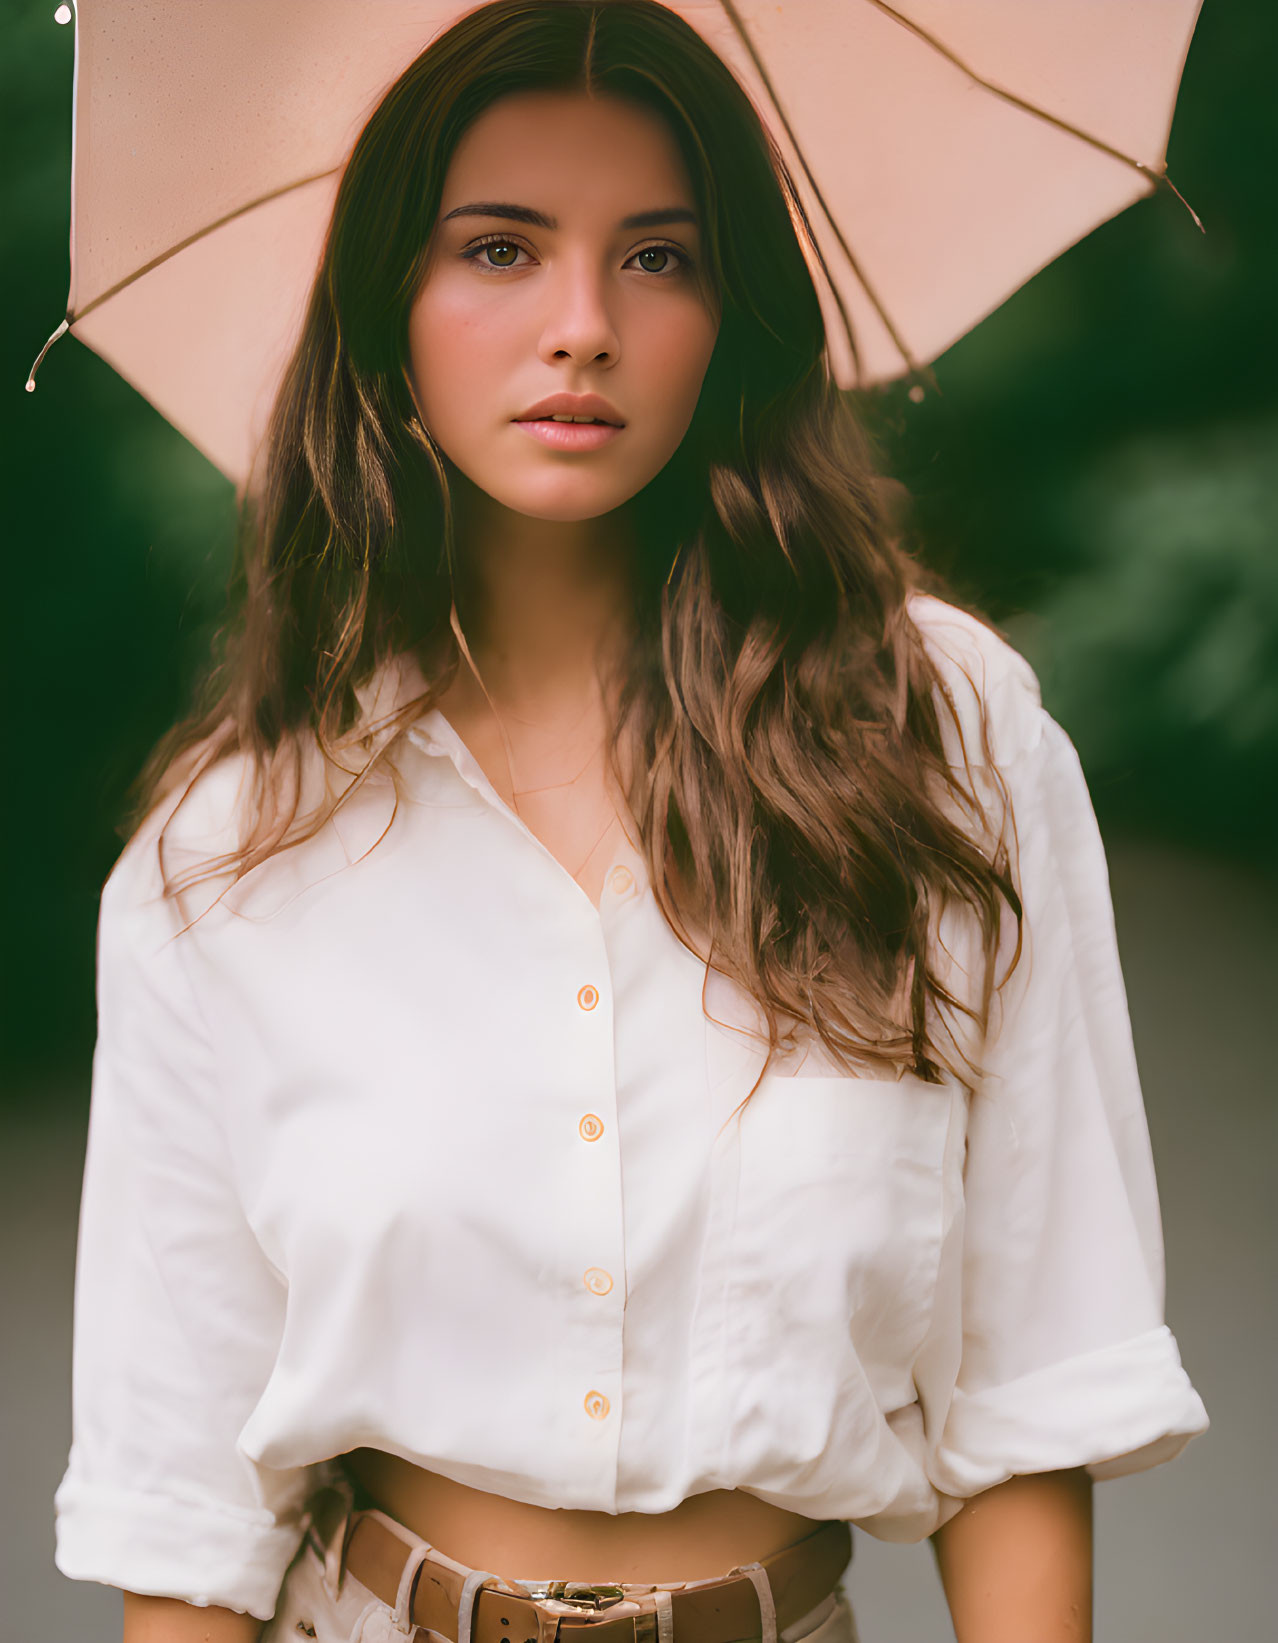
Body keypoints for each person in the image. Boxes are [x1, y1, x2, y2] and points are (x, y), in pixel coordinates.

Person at [51, 3, 1209, 1641]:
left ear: (731, 315)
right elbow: (180, 1515)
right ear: (389, 313)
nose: (581, 324)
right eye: (500, 249)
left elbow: (1032, 1392)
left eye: (657, 258)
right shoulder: (228, 856)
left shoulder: (941, 740)